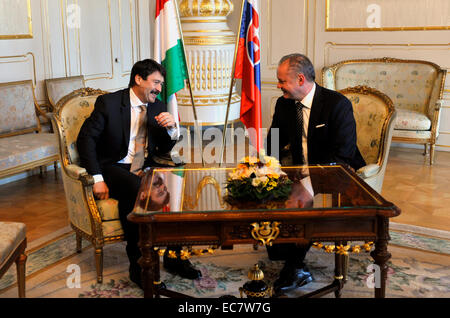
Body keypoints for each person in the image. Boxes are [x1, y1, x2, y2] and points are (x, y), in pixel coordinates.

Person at [77, 59, 201, 289]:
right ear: (138, 79)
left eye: (161, 84)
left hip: (146, 165)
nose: (159, 89)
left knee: (177, 187)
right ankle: (139, 266)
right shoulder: (109, 103)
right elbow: (85, 140)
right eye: (155, 82)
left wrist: (172, 129)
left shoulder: (157, 105)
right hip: (115, 166)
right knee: (137, 191)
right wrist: (97, 179)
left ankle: (174, 258)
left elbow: (163, 149)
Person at [266, 53, 366, 295]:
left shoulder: (337, 104)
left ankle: (295, 268)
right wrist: (270, 169)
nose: (278, 86)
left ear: (300, 79)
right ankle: (283, 248)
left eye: (282, 81)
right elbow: (273, 143)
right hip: (298, 169)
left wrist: (308, 181)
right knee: (265, 191)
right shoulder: (284, 104)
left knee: (299, 201)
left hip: (333, 170)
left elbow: (343, 154)